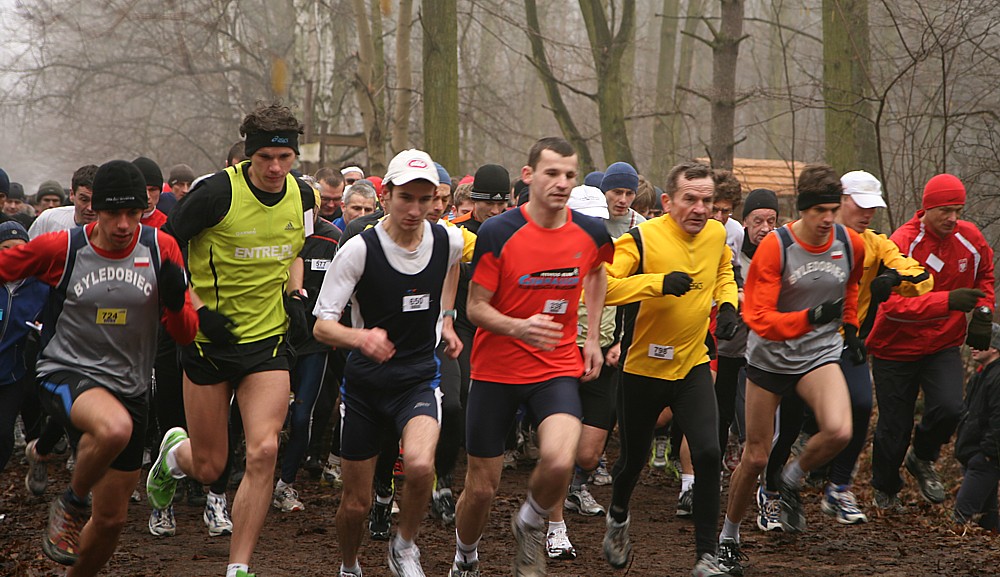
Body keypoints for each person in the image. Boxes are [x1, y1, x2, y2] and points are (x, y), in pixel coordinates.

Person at [0, 160, 197, 575]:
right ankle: (71, 503)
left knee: (110, 521)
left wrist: (177, 303)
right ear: (96, 210)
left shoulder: (161, 248)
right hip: (65, 371)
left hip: (130, 386)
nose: (123, 225)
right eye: (113, 213)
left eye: (133, 213)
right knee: (114, 428)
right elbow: (7, 265)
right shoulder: (64, 248)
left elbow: (184, 334)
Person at [149, 102, 315, 577]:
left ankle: (237, 566)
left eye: (284, 158)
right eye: (265, 158)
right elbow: (164, 249)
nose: (275, 168)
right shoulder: (216, 194)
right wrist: (198, 309)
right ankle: (173, 456)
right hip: (210, 344)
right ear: (248, 154)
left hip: (267, 342)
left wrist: (296, 293)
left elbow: (295, 250)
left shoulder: (302, 196)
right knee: (209, 467)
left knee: (264, 451)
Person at [451, 137, 613, 577]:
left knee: (560, 460)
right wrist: (518, 327)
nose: (562, 183)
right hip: (496, 370)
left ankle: (529, 521)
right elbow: (475, 308)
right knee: (481, 489)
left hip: (555, 365)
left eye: (569, 175)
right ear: (528, 176)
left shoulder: (591, 232)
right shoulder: (498, 232)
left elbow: (597, 273)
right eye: (552, 173)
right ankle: (465, 556)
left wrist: (592, 339)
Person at [312, 148, 464, 577]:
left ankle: (405, 545)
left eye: (425, 199)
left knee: (420, 466)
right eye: (406, 199)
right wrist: (360, 337)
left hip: (418, 378)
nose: (416, 210)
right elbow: (322, 326)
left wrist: (447, 318)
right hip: (365, 387)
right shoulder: (359, 250)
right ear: (386, 196)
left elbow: (453, 268)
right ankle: (349, 565)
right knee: (356, 504)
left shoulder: (448, 240)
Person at [716, 164, 865, 576]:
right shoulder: (777, 247)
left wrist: (851, 326)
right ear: (802, 210)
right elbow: (759, 318)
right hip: (770, 357)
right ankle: (728, 537)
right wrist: (811, 316)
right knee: (755, 456)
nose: (828, 219)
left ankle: (792, 479)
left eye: (833, 210)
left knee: (840, 430)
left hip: (818, 353)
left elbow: (851, 285)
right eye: (819, 211)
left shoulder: (850, 243)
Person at [601, 161, 737, 577]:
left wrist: (727, 305)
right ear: (667, 201)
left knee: (709, 452)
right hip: (643, 369)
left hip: (692, 363)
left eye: (707, 201)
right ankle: (618, 517)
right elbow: (604, 286)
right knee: (633, 461)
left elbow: (723, 271)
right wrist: (657, 283)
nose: (700, 209)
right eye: (690, 199)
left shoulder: (716, 234)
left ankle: (706, 557)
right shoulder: (641, 238)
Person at [866, 173, 994, 511]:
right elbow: (891, 303)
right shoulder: (902, 243)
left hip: (942, 344)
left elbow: (985, 275)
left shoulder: (970, 238)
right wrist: (947, 301)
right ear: (926, 209)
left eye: (958, 210)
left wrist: (984, 311)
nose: (952, 218)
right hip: (894, 346)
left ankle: (922, 456)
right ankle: (886, 489)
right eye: (945, 211)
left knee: (950, 408)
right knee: (894, 426)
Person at [0, 222, 48, 474]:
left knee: (3, 435)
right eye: (5, 248)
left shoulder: (40, 286)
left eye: (19, 249)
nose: (12, 254)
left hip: (12, 375)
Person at [953, 323, 1000, 531]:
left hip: (985, 460)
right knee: (989, 522)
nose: (973, 346)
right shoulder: (980, 376)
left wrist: (987, 454)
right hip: (976, 457)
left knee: (960, 519)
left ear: (995, 347)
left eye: (980, 341)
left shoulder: (997, 377)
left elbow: (998, 420)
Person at [29, 165, 99, 238]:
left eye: (96, 200)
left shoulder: (107, 228)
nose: (90, 208)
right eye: (84, 200)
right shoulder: (48, 219)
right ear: (72, 194)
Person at [450, 164, 510, 233]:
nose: (495, 211)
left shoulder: (514, 229)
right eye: (489, 203)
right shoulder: (457, 231)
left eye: (501, 204)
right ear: (474, 200)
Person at [599, 162, 645, 237]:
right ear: (604, 192)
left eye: (629, 194)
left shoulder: (641, 226)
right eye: (617, 192)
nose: (623, 200)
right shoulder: (592, 219)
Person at [133, 157, 168, 228]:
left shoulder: (166, 225)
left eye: (153, 190)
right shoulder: (117, 223)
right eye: (141, 189)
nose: (147, 196)